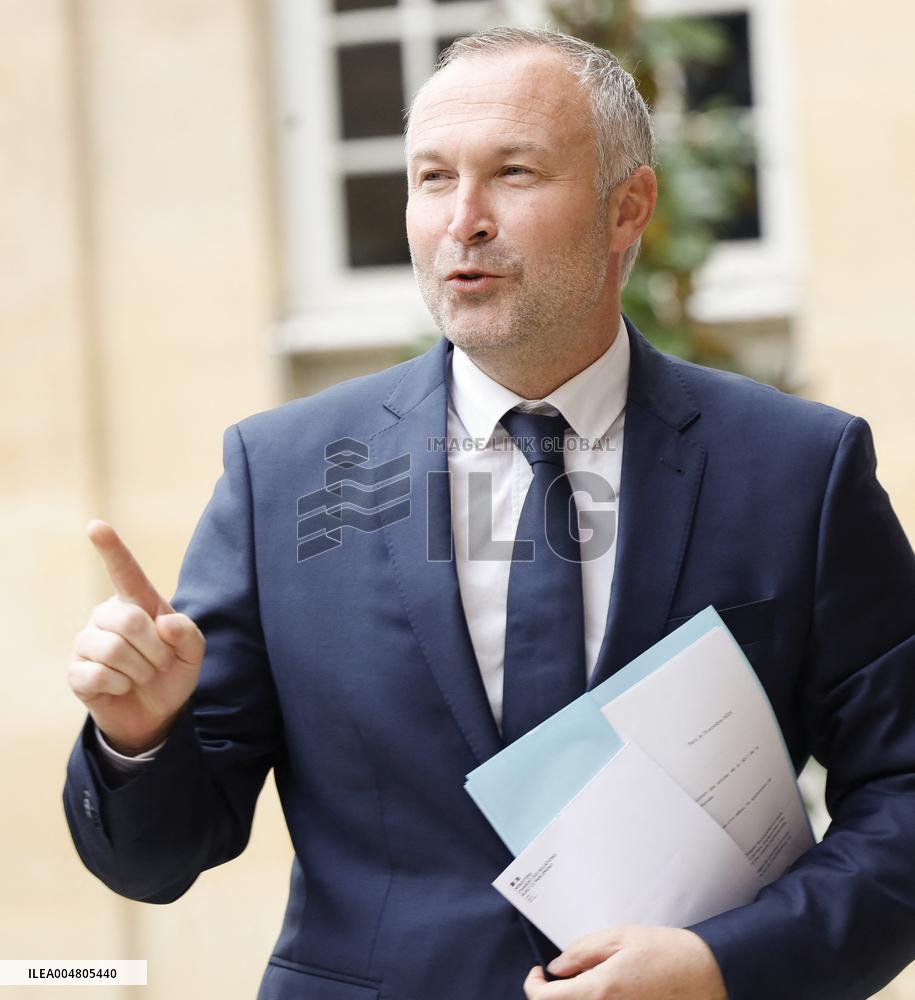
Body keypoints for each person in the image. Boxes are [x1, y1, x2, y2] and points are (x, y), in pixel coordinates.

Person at [63, 26, 915, 1000]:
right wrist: (138, 740)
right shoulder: (282, 476)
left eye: (513, 173)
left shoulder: (798, 469)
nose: (462, 220)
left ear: (627, 207)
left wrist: (727, 965)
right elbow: (156, 859)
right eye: (432, 178)